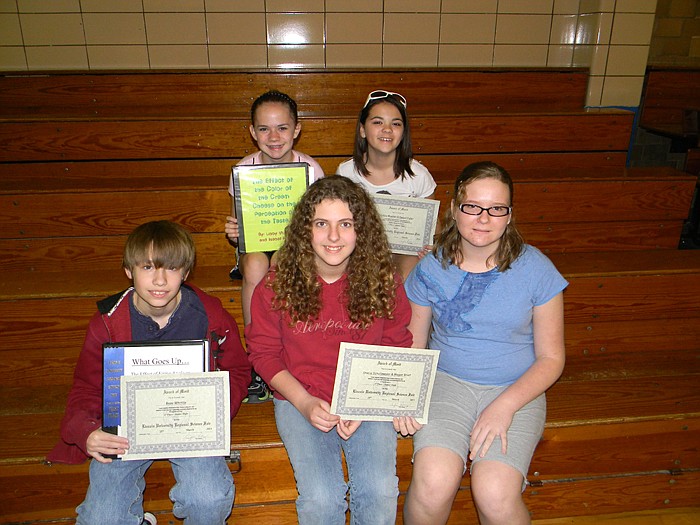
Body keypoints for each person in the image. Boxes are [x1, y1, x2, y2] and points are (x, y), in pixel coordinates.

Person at [47, 220, 251, 525]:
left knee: (208, 498)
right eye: (147, 268)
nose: (159, 280)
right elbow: (86, 387)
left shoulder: (210, 315)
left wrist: (216, 410)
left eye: (170, 268)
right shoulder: (107, 322)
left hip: (189, 426)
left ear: (185, 272)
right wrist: (86, 432)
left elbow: (237, 369)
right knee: (102, 517)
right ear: (129, 270)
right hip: (126, 432)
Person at [401, 162, 567, 525]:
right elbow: (414, 342)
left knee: (494, 493)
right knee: (432, 483)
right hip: (447, 382)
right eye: (472, 206)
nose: (483, 217)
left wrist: (504, 406)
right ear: (455, 210)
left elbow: (552, 358)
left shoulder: (537, 269)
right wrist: (406, 395)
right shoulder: (429, 269)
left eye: (497, 208)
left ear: (510, 215)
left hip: (515, 388)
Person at [245, 175, 414, 525]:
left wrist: (369, 403)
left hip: (366, 397)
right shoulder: (277, 285)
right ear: (305, 229)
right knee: (322, 500)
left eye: (346, 224)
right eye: (322, 224)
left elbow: (396, 342)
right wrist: (305, 403)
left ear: (362, 230)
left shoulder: (384, 281)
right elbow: (263, 353)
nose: (333, 237)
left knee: (379, 490)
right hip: (299, 398)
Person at [225, 90, 325, 403]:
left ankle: (287, 348)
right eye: (265, 129)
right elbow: (237, 219)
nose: (274, 136)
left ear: (296, 130)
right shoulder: (243, 170)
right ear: (253, 132)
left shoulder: (311, 170)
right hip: (256, 246)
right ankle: (257, 352)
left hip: (299, 247)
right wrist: (234, 230)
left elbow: (322, 219)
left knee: (283, 258)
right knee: (256, 264)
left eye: (282, 128)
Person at [336, 89, 436, 278]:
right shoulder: (346, 172)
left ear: (403, 132)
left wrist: (429, 235)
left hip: (402, 253)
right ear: (363, 130)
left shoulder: (418, 175)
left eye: (396, 124)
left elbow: (432, 229)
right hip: (361, 249)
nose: (387, 129)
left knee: (410, 269)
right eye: (377, 122)